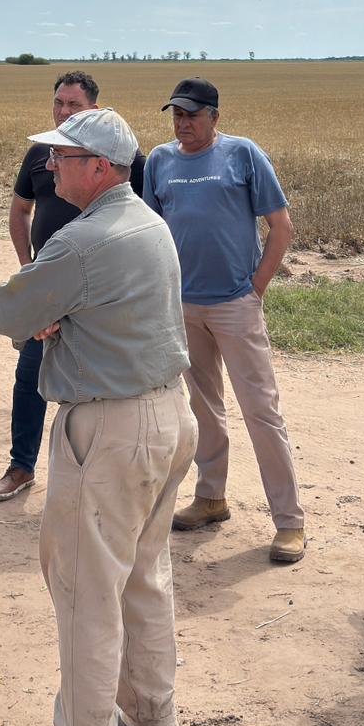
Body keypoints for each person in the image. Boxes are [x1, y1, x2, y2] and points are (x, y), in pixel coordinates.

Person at [0, 108, 195, 726]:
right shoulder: (147, 222)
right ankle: (153, 718)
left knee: (85, 595)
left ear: (99, 168)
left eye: (63, 157)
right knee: (144, 577)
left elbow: (7, 313)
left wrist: (50, 313)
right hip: (166, 415)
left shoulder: (81, 241)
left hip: (108, 427)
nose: (50, 167)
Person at [143, 77, 305, 563]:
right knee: (202, 407)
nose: (183, 123)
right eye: (176, 114)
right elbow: (151, 229)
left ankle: (290, 522)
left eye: (192, 114)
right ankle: (210, 497)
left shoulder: (243, 155)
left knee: (260, 410)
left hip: (235, 304)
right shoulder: (159, 161)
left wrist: (255, 288)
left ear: (215, 116)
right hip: (182, 305)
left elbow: (281, 227)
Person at [0, 71, 146, 501]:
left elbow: (141, 220)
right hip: (50, 290)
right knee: (30, 378)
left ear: (94, 108)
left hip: (99, 297)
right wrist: (31, 271)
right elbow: (20, 211)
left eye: (73, 105)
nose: (63, 111)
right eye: (58, 103)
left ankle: (96, 480)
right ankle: (22, 467)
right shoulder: (40, 153)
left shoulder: (120, 156)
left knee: (95, 386)